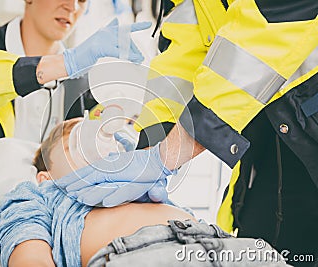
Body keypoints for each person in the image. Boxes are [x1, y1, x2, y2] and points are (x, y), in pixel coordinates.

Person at [56, 0, 318, 265]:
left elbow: (270, 30)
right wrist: (151, 145)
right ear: (44, 176)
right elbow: (184, 51)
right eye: (77, 145)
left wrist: (164, 157)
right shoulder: (42, 202)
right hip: (270, 146)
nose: (104, 145)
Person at [0, 0, 151, 265]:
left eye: (83, 0)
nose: (72, 6)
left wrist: (125, 150)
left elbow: (98, 139)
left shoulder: (80, 83)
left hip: (54, 220)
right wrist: (58, 65)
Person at [0, 117, 286, 267]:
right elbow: (29, 252)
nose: (99, 148)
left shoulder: (142, 185)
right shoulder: (41, 194)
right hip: (139, 256)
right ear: (46, 177)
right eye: (78, 144)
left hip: (231, 249)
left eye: (105, 141)